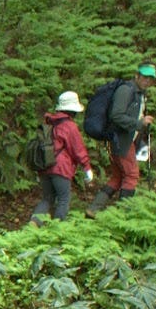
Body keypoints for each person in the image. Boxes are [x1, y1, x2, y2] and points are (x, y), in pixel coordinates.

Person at [89, 63, 156, 213]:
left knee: (118, 176)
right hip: (120, 140)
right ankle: (123, 215)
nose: (147, 81)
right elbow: (116, 116)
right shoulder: (126, 90)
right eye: (145, 77)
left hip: (123, 140)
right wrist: (139, 123)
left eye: (150, 79)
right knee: (132, 175)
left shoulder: (140, 93)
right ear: (137, 76)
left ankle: (93, 209)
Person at [30, 91, 95, 225]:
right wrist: (87, 168)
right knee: (63, 199)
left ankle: (34, 223)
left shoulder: (49, 123)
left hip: (44, 167)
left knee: (47, 199)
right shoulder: (70, 126)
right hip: (61, 168)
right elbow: (78, 149)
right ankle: (58, 229)